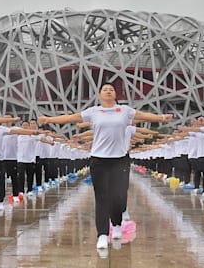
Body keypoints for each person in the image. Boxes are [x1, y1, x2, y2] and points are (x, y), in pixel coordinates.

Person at [39, 82, 172, 251]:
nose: (108, 91)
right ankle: (102, 235)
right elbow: (71, 117)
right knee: (102, 198)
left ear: (115, 94)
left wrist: (161, 118)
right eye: (105, 89)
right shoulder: (93, 112)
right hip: (99, 160)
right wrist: (49, 119)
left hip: (120, 160)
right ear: (100, 94)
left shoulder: (124, 111)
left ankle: (116, 225)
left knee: (118, 196)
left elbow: (144, 115)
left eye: (111, 89)